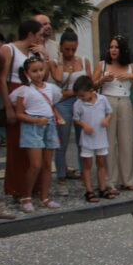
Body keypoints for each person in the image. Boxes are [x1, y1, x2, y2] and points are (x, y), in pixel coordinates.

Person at [9, 56, 65, 213]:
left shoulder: (50, 88)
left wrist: (57, 117)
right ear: (27, 73)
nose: (38, 74)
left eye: (41, 70)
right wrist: (35, 121)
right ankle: (26, 197)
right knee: (35, 164)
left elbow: (51, 106)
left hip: (49, 125)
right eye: (34, 71)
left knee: (48, 164)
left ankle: (44, 197)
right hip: (33, 126)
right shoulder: (24, 91)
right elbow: (19, 113)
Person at [0, 20, 46, 200]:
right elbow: (2, 79)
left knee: (34, 143)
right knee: (17, 144)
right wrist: (8, 107)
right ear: (31, 34)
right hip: (16, 94)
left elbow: (44, 77)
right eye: (40, 34)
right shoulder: (9, 49)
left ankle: (33, 187)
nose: (42, 38)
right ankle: (17, 188)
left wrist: (44, 56)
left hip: (33, 97)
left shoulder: (35, 52)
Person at [92, 35, 133, 194]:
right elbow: (91, 85)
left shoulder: (130, 66)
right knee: (109, 142)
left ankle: (127, 180)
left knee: (126, 141)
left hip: (125, 101)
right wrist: (102, 80)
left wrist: (132, 77)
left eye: (116, 47)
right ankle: (109, 181)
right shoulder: (102, 65)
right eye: (111, 47)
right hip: (107, 101)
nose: (113, 50)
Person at [50, 30, 91, 196]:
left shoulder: (83, 61)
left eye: (73, 49)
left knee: (83, 141)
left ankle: (84, 175)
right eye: (66, 49)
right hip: (64, 104)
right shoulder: (54, 63)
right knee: (63, 141)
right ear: (61, 48)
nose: (70, 53)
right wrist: (61, 60)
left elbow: (88, 83)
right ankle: (61, 177)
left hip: (81, 102)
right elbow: (59, 79)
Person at [72, 76, 113, 203]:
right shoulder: (78, 104)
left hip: (100, 136)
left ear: (91, 90)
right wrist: (84, 125)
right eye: (79, 96)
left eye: (82, 95)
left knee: (101, 163)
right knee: (87, 165)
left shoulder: (102, 99)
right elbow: (76, 119)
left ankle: (102, 188)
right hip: (87, 138)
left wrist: (106, 120)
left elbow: (109, 112)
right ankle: (89, 190)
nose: (81, 98)